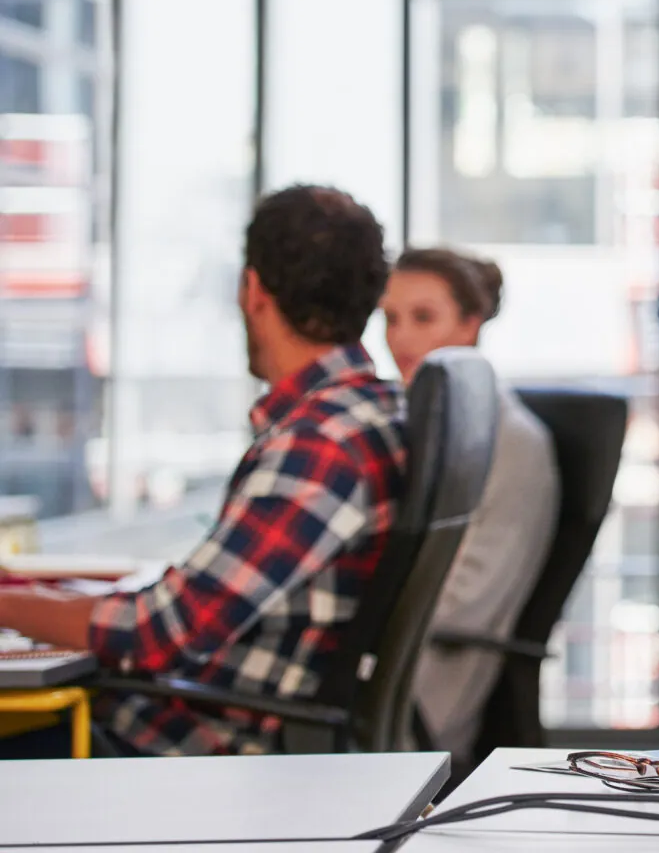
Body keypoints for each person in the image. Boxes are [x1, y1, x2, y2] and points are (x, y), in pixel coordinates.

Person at [0, 185, 402, 756]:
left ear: (253, 289)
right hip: (219, 723)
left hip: (197, 751)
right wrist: (34, 594)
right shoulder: (373, 411)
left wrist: (9, 604)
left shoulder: (319, 445)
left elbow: (158, 634)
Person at [382, 247, 560, 770]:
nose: (401, 338)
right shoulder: (415, 420)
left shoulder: (513, 441)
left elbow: (463, 601)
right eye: (390, 319)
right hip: (381, 664)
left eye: (423, 317)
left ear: (470, 325)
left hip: (423, 685)